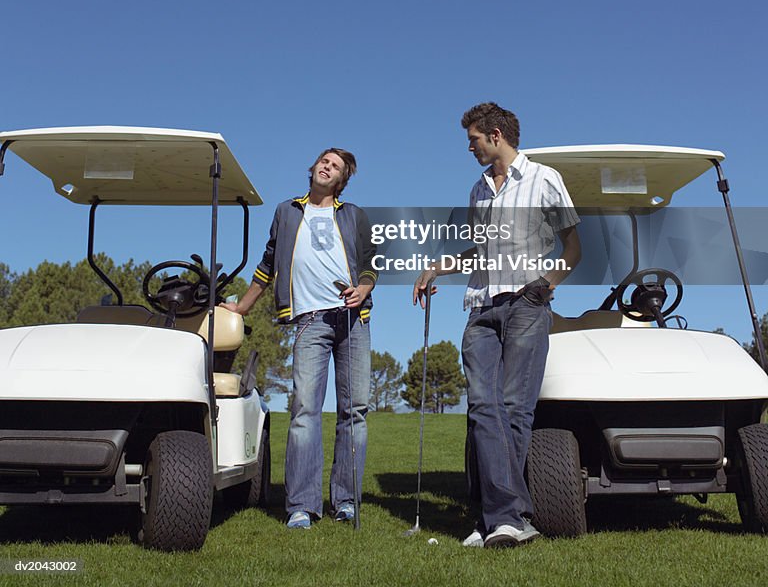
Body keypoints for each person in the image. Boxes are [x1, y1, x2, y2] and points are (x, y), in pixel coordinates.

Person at [414, 102, 581, 548]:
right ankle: (503, 518)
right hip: (481, 307)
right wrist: (437, 267)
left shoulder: (545, 179)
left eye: (472, 140)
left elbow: (573, 248)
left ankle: (500, 518)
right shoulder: (478, 190)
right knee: (482, 409)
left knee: (513, 409)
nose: (469, 148)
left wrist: (545, 285)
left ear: (494, 135)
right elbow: (477, 252)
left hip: (527, 302)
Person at [225, 148, 378, 528]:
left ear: (342, 180)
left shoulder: (354, 215)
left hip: (352, 320)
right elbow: (267, 264)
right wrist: (242, 308)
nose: (327, 167)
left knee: (354, 411)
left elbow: (371, 263)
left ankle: (346, 502)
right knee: (305, 411)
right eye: (324, 161)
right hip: (311, 322)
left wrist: (363, 288)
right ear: (313, 169)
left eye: (336, 166)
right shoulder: (287, 211)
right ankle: (301, 506)